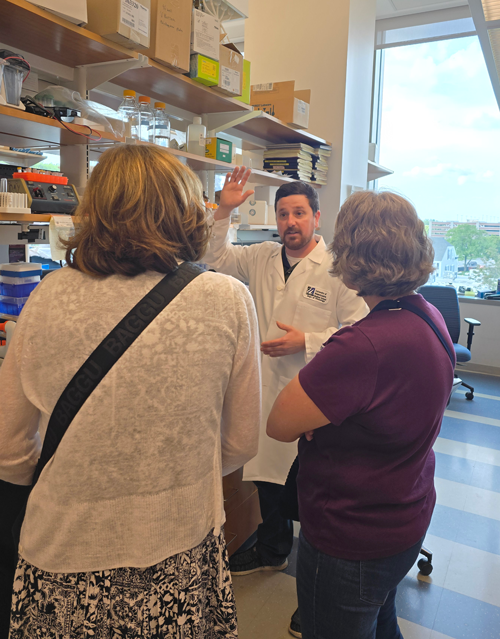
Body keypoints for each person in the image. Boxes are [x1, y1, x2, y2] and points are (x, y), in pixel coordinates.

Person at [0, 144, 261, 639]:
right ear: (186, 212)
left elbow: (10, 450)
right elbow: (240, 443)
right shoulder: (227, 299)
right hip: (178, 552)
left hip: (63, 557)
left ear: (92, 210)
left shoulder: (47, 296)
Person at [267, 190, 455, 639]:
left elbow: (278, 424)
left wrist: (320, 419)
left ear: (349, 258)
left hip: (350, 539)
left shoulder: (361, 346)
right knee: (381, 623)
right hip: (404, 516)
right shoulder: (427, 316)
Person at [204, 168, 367, 585]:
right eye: (282, 214)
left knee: (307, 487)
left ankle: (318, 575)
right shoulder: (259, 256)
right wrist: (224, 208)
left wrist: (307, 341)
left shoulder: (339, 269)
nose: (289, 222)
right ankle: (272, 550)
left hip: (312, 394)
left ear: (316, 216)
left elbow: (360, 332)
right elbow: (214, 256)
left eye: (298, 213)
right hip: (262, 387)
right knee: (266, 479)